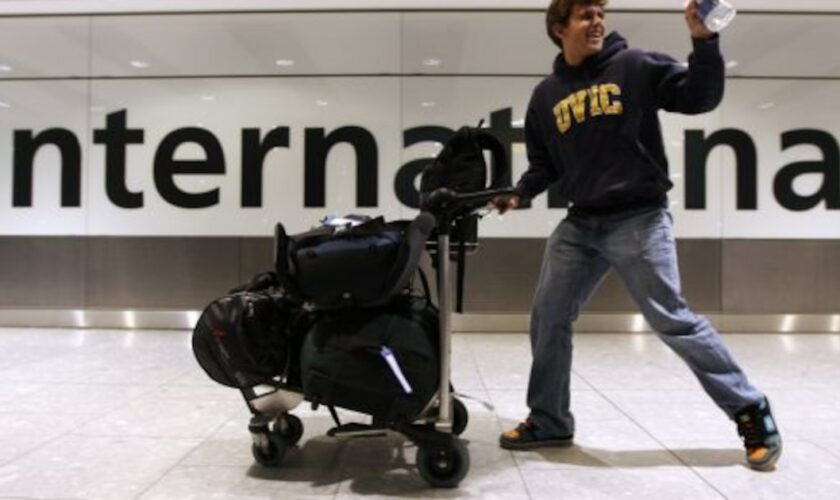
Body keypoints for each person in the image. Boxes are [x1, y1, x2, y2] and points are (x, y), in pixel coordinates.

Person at [492, 0, 782, 471]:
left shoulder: (633, 65)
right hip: (581, 223)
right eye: (585, 15)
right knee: (548, 317)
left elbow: (698, 97)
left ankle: (751, 411)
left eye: (599, 14)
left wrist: (704, 41)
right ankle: (550, 419)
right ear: (558, 28)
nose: (598, 22)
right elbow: (545, 165)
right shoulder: (546, 95)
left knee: (673, 320)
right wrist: (519, 195)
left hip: (639, 218)